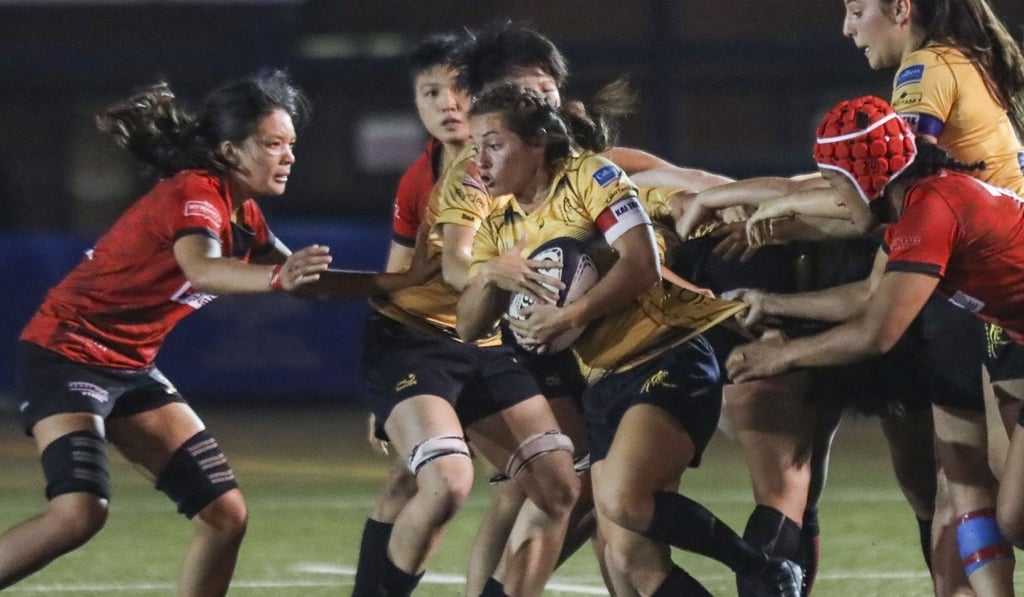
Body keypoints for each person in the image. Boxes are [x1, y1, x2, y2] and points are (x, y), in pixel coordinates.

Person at [0, 70, 439, 595]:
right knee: (79, 513)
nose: (288, 156)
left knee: (225, 515)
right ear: (230, 150)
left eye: (292, 144)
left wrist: (403, 280)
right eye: (273, 143)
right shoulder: (196, 193)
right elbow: (202, 269)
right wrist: (279, 276)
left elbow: (309, 285)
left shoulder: (241, 210)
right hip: (65, 355)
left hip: (129, 366)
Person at [457, 83, 804, 597]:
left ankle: (763, 567)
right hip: (603, 382)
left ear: (536, 144)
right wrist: (488, 277)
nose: (478, 158)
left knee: (621, 500)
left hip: (667, 356)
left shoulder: (591, 178)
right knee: (629, 560)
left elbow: (642, 265)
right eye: (474, 144)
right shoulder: (499, 225)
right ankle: (762, 568)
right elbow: (468, 327)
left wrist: (568, 315)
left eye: (493, 143)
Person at [726, 94, 1023, 594]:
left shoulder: (931, 213)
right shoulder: (920, 204)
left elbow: (877, 333)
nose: (836, 200)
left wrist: (782, 354)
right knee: (1009, 511)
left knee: (1015, 514)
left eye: (836, 184)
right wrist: (770, 302)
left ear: (867, 178)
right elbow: (868, 295)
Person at [352, 43, 583, 597]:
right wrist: (381, 400)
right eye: (430, 92)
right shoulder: (447, 172)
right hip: (416, 342)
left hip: (481, 339)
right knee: (442, 481)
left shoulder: (540, 152)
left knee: (555, 487)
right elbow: (436, 266)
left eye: (456, 90)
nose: (446, 104)